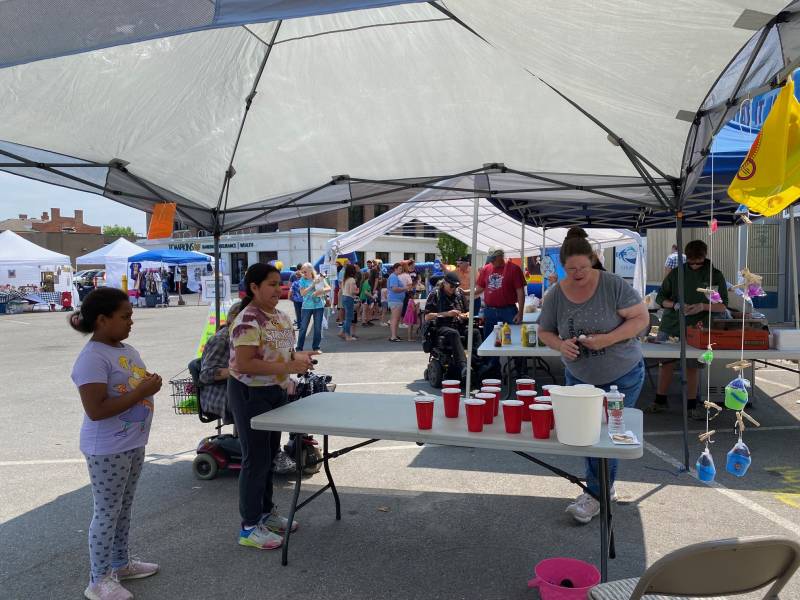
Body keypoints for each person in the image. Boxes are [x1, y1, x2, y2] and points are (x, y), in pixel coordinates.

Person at [538, 227, 650, 524]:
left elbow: (641, 318)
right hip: (579, 378)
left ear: (593, 261)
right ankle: (601, 489)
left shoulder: (612, 285)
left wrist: (607, 339)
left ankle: (596, 494)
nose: (577, 273)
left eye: (583, 267)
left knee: (608, 435)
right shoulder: (555, 295)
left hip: (622, 374)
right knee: (585, 436)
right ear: (563, 266)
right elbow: (544, 331)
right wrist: (561, 345)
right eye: (571, 269)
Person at [69, 287, 163, 599]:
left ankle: (120, 564)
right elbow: (96, 410)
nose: (131, 322)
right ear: (102, 319)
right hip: (107, 449)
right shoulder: (92, 359)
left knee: (124, 508)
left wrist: (149, 383)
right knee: (107, 512)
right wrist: (140, 392)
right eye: (125, 317)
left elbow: (134, 381)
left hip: (132, 443)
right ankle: (98, 580)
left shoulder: (125, 349)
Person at [228, 263, 317, 550]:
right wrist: (289, 364)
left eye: (280, 284)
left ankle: (266, 513)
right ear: (254, 287)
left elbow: (281, 351)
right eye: (271, 284)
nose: (278, 290)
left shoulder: (280, 316)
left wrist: (299, 357)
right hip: (250, 393)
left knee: (269, 456)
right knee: (255, 459)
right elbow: (244, 363)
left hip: (274, 391)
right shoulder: (247, 320)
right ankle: (250, 526)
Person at [647, 240, 728, 419]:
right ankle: (660, 401)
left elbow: (722, 306)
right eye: (691, 262)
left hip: (698, 327)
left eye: (698, 262)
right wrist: (675, 305)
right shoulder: (677, 273)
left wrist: (702, 306)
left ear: (705, 256)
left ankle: (692, 405)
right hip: (672, 324)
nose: (695, 266)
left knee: (692, 366)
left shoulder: (715, 275)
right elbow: (661, 298)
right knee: (666, 363)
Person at [473, 248, 526, 374]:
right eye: (490, 259)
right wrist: (466, 293)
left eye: (493, 259)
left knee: (516, 341)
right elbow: (480, 288)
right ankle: (493, 369)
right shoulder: (487, 269)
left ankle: (520, 370)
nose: (491, 262)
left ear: (500, 257)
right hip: (490, 311)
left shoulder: (514, 269)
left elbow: (520, 291)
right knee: (490, 341)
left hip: (508, 310)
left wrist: (520, 312)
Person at [424, 272, 471, 378]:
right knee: (453, 333)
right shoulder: (435, 294)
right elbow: (427, 316)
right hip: (442, 327)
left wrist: (464, 315)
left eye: (456, 286)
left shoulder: (459, 294)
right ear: (445, 283)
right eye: (452, 286)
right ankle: (464, 367)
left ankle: (479, 363)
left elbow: (469, 311)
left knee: (475, 331)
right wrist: (447, 314)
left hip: (459, 324)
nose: (454, 288)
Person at [297, 263, 330, 351]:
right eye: (302, 272)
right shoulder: (302, 280)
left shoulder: (319, 277)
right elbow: (302, 293)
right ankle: (299, 348)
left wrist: (320, 291)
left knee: (317, 328)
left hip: (319, 306)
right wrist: (312, 285)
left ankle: (316, 347)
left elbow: (328, 288)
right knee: (303, 328)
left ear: (311, 270)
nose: (303, 273)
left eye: (305, 271)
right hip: (306, 307)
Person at [387, 262, 409, 342]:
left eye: (401, 269)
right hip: (395, 300)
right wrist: (404, 288)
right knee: (395, 319)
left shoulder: (394, 276)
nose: (401, 270)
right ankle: (393, 336)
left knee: (395, 318)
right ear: (395, 269)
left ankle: (394, 335)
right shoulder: (393, 277)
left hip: (396, 300)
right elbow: (394, 289)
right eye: (400, 269)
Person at [339, 263, 359, 342]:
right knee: (349, 318)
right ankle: (348, 336)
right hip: (349, 298)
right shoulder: (352, 280)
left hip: (344, 297)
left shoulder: (345, 279)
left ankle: (342, 332)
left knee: (347, 317)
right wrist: (357, 291)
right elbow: (352, 291)